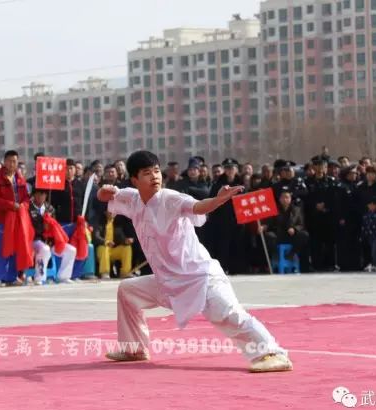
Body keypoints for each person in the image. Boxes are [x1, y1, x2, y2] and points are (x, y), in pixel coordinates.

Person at [97, 150, 292, 372]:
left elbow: (199, 206)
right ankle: (134, 348)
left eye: (157, 171)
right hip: (168, 282)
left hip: (199, 277)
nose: (155, 177)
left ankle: (273, 353)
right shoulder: (131, 198)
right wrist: (104, 191)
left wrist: (217, 201)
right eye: (147, 173)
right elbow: (105, 198)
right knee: (128, 291)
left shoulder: (170, 199)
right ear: (134, 179)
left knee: (229, 315)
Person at [0, 150, 32, 287]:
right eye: (10, 161)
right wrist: (11, 205)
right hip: (4, 219)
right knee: (3, 248)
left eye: (15, 161)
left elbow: (26, 198)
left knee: (15, 248)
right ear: (4, 162)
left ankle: (11, 277)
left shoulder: (20, 179)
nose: (12, 164)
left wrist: (23, 205)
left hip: (19, 218)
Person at [28, 188, 76, 285]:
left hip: (50, 241)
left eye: (43, 194)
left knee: (71, 250)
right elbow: (29, 227)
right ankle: (39, 277)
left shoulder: (50, 208)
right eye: (38, 194)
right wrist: (43, 223)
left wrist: (49, 223)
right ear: (34, 195)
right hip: (35, 240)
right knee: (44, 249)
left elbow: (55, 227)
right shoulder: (28, 208)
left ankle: (63, 276)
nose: (41, 197)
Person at [206, 158, 246, 275]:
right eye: (227, 168)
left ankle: (236, 268)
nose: (230, 170)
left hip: (238, 220)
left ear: (236, 169)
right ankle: (223, 268)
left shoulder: (241, 183)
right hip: (222, 220)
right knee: (223, 245)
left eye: (232, 168)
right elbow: (213, 200)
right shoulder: (218, 184)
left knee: (237, 244)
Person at [263, 191, 310, 273]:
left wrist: (294, 229)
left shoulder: (297, 210)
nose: (285, 199)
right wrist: (263, 226)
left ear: (290, 199)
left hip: (292, 236)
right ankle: (277, 255)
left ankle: (291, 254)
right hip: (278, 236)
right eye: (283, 197)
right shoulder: (274, 209)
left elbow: (301, 224)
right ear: (280, 199)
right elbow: (269, 223)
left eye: (287, 197)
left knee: (304, 234)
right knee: (269, 235)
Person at [94, 210, 134, 280]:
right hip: (102, 249)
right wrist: (106, 242)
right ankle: (105, 272)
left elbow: (120, 237)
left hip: (113, 250)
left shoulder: (117, 222)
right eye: (110, 211)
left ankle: (125, 272)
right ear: (105, 212)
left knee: (127, 248)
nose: (112, 213)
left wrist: (125, 241)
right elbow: (96, 236)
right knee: (105, 248)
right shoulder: (99, 222)